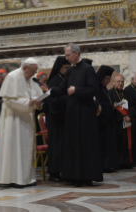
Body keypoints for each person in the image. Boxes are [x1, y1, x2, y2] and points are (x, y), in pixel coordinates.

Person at [52, 43, 103, 187]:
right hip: (72, 114)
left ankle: (86, 176)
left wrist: (76, 90)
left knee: (84, 145)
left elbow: (93, 90)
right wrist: (48, 91)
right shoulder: (70, 72)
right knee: (72, 145)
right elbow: (62, 89)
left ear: (76, 53)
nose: (67, 58)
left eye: (68, 55)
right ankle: (73, 176)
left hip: (85, 115)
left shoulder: (88, 69)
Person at [0, 58, 44, 188]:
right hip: (14, 120)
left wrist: (38, 103)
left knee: (25, 148)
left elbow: (37, 97)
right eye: (32, 71)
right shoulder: (12, 77)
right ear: (25, 68)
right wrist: (27, 103)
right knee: (15, 147)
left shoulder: (30, 80)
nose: (34, 74)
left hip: (27, 119)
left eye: (35, 72)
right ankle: (14, 178)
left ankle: (27, 178)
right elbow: (8, 100)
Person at [45, 56, 70, 182]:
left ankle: (62, 170)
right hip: (55, 117)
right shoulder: (53, 81)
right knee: (56, 145)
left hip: (63, 117)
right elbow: (53, 100)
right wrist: (67, 97)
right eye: (66, 68)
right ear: (59, 67)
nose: (67, 70)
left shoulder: (64, 79)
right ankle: (53, 172)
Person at [96, 65, 119, 172]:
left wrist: (112, 105)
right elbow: (99, 104)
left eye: (110, 79)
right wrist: (111, 106)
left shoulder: (105, 89)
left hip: (108, 121)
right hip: (101, 122)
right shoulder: (96, 88)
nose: (108, 81)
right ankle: (104, 165)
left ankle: (109, 164)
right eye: (107, 79)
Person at [109, 75, 133, 169]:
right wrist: (121, 117)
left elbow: (132, 107)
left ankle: (126, 162)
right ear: (113, 82)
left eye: (122, 82)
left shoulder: (126, 93)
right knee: (117, 142)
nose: (120, 83)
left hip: (127, 122)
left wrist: (129, 116)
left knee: (126, 141)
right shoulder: (110, 93)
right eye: (118, 81)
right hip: (116, 122)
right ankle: (118, 162)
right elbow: (110, 107)